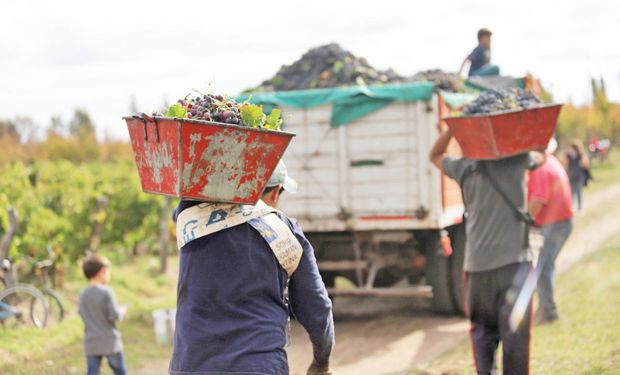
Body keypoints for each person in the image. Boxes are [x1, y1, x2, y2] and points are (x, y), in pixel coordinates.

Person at [170, 160, 334, 375]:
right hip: (259, 366)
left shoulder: (190, 218)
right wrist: (321, 362)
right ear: (276, 192)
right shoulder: (287, 232)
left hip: (191, 366)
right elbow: (317, 306)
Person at [430, 128, 534, 375]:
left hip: (477, 271)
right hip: (514, 266)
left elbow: (435, 154)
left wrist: (452, 130)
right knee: (516, 342)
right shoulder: (519, 160)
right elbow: (544, 150)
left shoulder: (464, 167)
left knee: (482, 334)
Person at [528, 139, 573, 324]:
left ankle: (548, 312)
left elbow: (537, 203)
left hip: (554, 224)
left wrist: (524, 221)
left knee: (543, 267)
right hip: (561, 222)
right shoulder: (552, 162)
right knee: (547, 266)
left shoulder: (541, 170)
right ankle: (546, 308)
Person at [78, 254, 128, 375]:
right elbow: (115, 316)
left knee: (92, 372)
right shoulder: (106, 292)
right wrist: (122, 310)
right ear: (102, 272)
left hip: (91, 342)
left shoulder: (82, 294)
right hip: (110, 341)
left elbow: (81, 313)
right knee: (120, 370)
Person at [564, 139, 590, 212]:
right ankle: (572, 206)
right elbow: (565, 162)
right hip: (571, 175)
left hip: (579, 175)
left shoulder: (580, 154)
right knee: (572, 191)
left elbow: (585, 163)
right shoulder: (568, 154)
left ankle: (579, 207)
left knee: (578, 190)